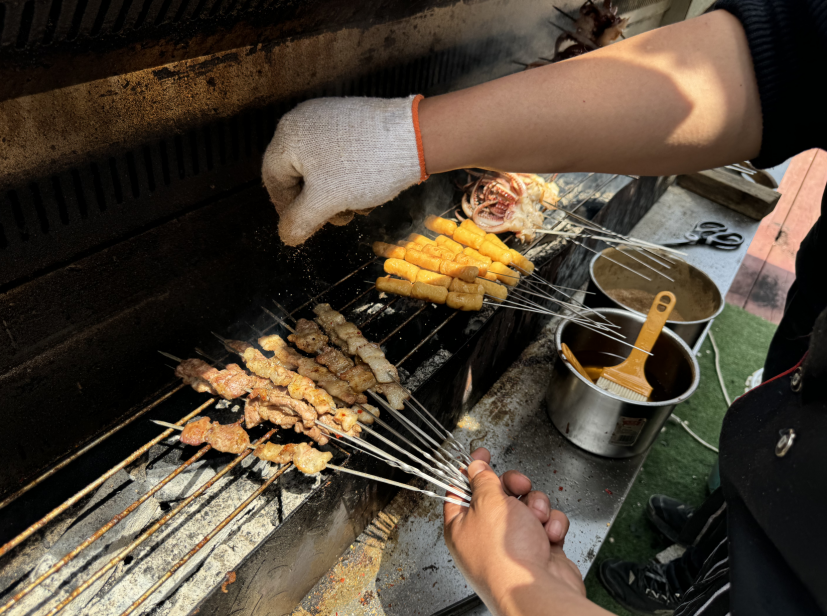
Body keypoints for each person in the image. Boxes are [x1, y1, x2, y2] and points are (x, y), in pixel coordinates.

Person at [262, 0, 827, 613]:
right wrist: (410, 138)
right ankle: (707, 555)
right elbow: (774, 60)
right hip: (792, 460)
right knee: (745, 528)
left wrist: (519, 590)